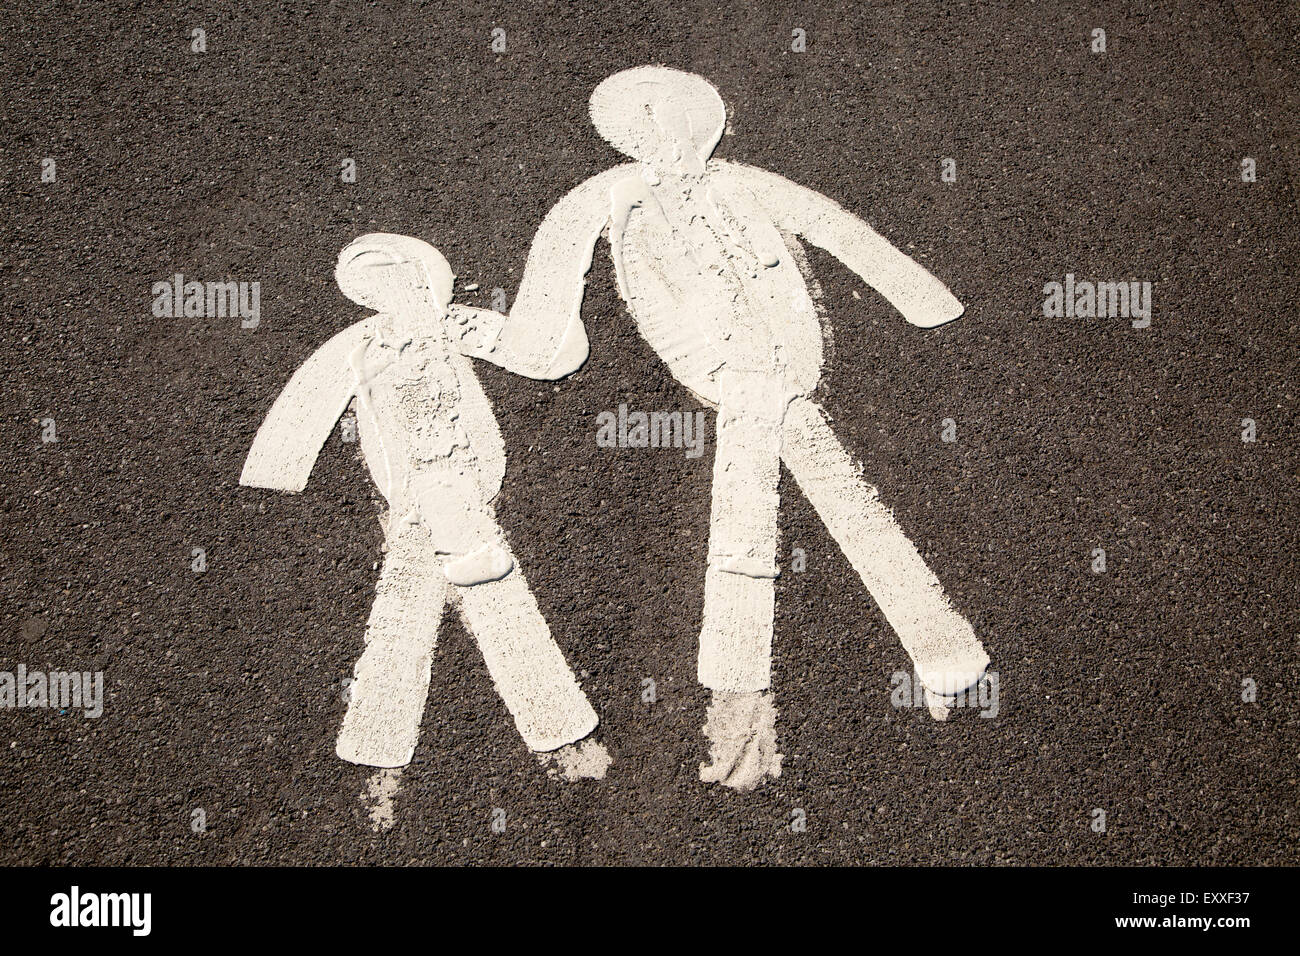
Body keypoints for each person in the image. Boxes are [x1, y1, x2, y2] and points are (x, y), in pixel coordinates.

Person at [489, 66, 990, 790]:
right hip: (726, 368)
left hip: (779, 359)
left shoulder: (737, 181)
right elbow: (549, 292)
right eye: (646, 128)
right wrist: (484, 335)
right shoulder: (607, 198)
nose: (667, 139)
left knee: (781, 516)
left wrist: (918, 294)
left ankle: (747, 702)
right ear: (627, 137)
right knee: (796, 509)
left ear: (702, 126)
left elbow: (833, 228)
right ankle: (911, 660)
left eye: (678, 124)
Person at [240, 233, 607, 780]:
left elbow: (529, 350)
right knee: (438, 593)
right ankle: (549, 723)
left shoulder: (453, 324)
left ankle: (384, 735)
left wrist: (559, 342)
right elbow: (309, 399)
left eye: (395, 275)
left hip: (455, 475)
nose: (389, 289)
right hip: (409, 486)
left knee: (454, 588)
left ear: (419, 274)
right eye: (372, 283)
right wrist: (280, 464)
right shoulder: (363, 345)